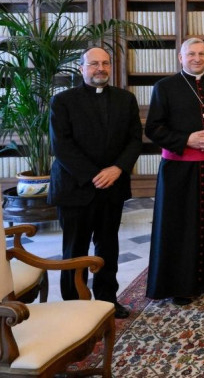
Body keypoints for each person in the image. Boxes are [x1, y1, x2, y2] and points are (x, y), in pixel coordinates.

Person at [48, 47, 142, 318]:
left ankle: (107, 300)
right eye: (93, 64)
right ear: (81, 68)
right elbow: (61, 145)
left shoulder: (125, 99)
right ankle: (74, 305)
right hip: (75, 188)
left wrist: (117, 168)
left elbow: (135, 139)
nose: (100, 68)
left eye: (105, 63)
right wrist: (94, 175)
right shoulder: (62, 101)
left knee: (108, 247)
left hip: (112, 186)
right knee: (75, 250)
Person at [145, 38, 204, 305]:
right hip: (178, 170)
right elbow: (154, 128)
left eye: (202, 54)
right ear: (180, 58)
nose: (197, 58)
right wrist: (187, 139)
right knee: (180, 225)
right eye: (191, 54)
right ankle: (181, 285)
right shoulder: (165, 87)